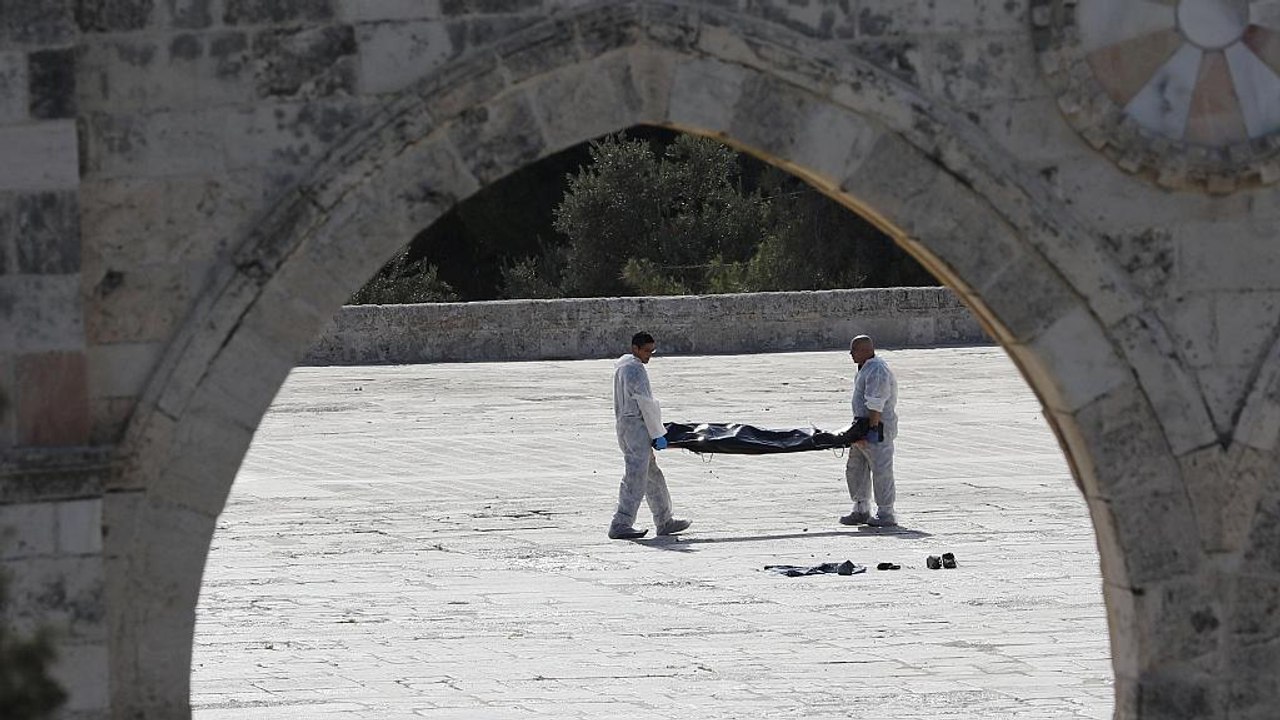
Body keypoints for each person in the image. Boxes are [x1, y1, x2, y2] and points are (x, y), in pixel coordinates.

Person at [608, 332, 692, 540]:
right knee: (635, 477)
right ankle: (621, 522)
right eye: (646, 351)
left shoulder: (622, 366)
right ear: (635, 348)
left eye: (652, 351)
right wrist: (657, 433)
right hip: (636, 429)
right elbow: (647, 405)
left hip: (625, 427)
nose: (649, 356)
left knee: (652, 476)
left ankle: (664, 520)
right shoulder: (635, 370)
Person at [840, 334, 899, 527]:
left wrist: (872, 430)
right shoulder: (864, 368)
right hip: (861, 427)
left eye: (854, 350)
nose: (850, 354)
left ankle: (886, 512)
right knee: (856, 468)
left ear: (866, 350)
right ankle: (861, 508)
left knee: (881, 469)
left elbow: (876, 404)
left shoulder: (877, 370)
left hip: (876, 428)